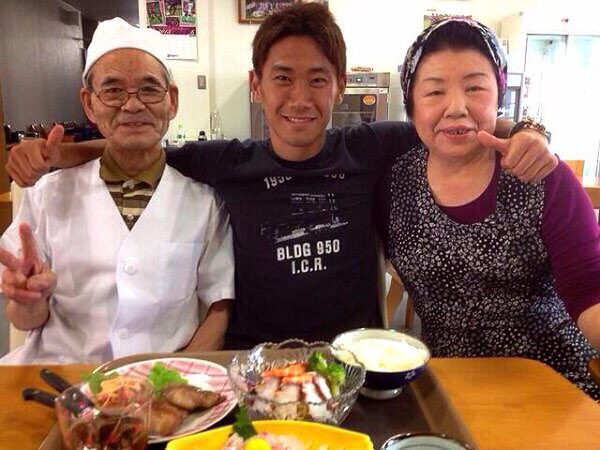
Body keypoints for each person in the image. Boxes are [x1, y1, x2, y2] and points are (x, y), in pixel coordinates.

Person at [5, 4, 555, 349]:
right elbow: (143, 145)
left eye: (317, 79)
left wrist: (531, 130)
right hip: (251, 363)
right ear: (256, 85)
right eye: (282, 78)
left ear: (339, 84)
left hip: (353, 358)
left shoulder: (369, 146)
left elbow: (452, 123)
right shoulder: (227, 162)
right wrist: (58, 156)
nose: (299, 98)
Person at [378, 18, 600, 400]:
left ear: (499, 94)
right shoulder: (394, 183)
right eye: (434, 91)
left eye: (475, 88)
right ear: (411, 105)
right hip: (447, 389)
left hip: (554, 384)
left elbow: (590, 293)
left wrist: (529, 129)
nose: (456, 107)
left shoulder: (541, 175)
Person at [0, 18, 235, 363]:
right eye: (113, 91)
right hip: (61, 376)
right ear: (89, 103)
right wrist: (28, 300)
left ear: (171, 100)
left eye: (149, 89)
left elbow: (219, 306)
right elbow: (25, 319)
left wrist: (181, 374)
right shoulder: (48, 196)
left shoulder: (204, 204)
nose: (132, 105)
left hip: (160, 379)